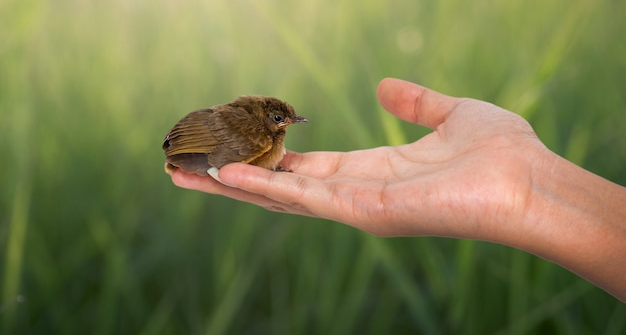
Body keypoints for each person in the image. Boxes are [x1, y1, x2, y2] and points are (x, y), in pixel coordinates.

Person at [166, 77, 626, 302]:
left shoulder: (261, 132)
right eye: (283, 121)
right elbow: (200, 139)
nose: (287, 127)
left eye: (287, 121)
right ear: (269, 122)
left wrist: (524, 188)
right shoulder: (257, 136)